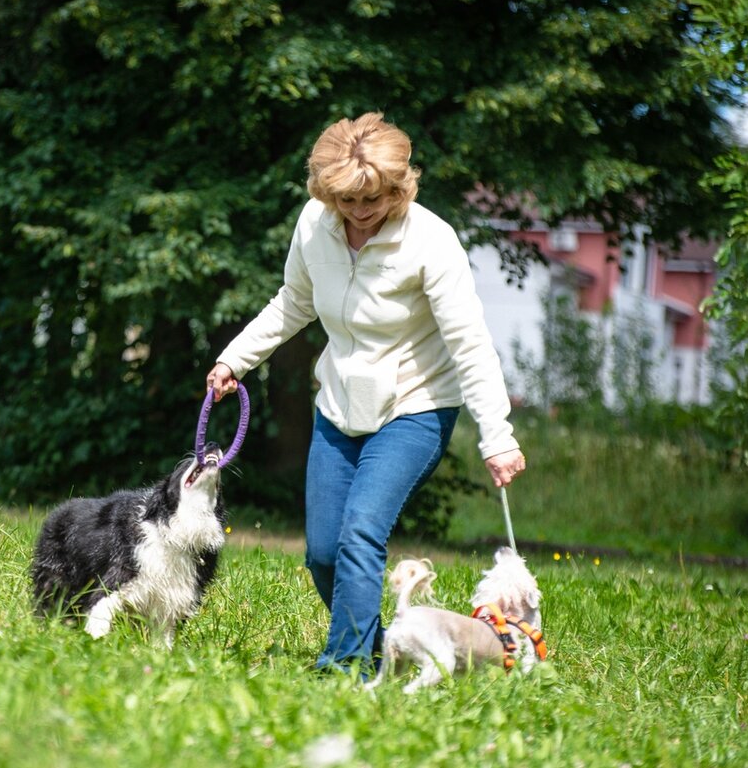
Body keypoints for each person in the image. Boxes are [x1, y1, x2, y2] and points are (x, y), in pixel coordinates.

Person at [204, 112, 526, 678]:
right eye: (345, 201)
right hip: (338, 406)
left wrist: (497, 436)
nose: (358, 212)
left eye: (372, 200)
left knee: (360, 534)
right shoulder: (314, 223)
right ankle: (390, 649)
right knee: (324, 554)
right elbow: (293, 302)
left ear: (399, 187)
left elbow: (470, 343)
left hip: (415, 407)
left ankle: (343, 668)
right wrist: (236, 357)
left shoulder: (431, 240)